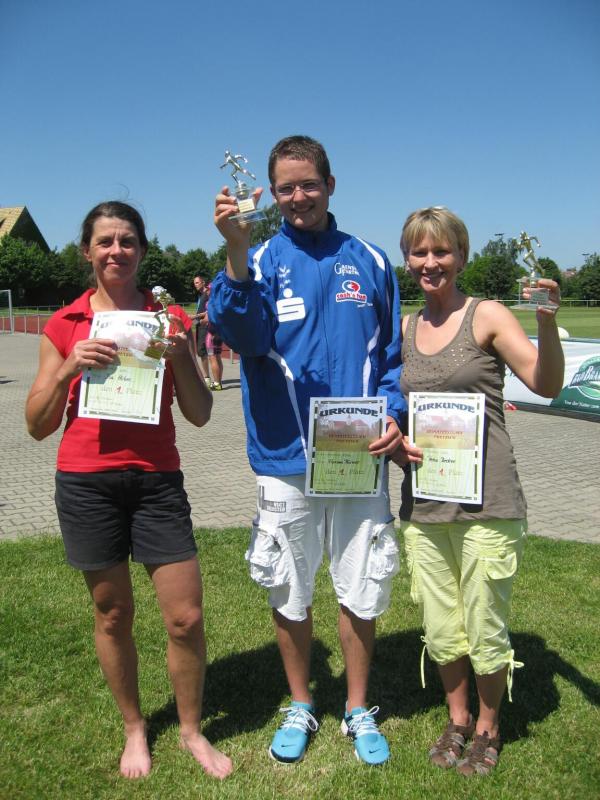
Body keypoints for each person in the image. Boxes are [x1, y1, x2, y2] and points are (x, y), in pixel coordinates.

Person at [212, 135, 408, 766]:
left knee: (362, 583)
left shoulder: (370, 260)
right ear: (272, 194)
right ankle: (301, 702)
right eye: (286, 188)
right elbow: (239, 333)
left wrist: (395, 414)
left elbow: (392, 359)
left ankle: (357, 706)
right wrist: (235, 254)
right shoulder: (257, 259)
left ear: (330, 184)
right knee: (288, 587)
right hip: (286, 455)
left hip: (358, 455)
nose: (298, 197)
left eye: (309, 184)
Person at [25, 201, 232, 781]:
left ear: (141, 249)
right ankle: (135, 728)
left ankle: (190, 729)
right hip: (86, 482)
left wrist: (182, 356)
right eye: (105, 241)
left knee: (185, 617)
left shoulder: (169, 319)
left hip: (157, 480)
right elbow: (36, 425)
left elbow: (200, 414)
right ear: (87, 251)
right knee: (113, 614)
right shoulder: (64, 324)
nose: (116, 250)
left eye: (127, 240)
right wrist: (67, 368)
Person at [394, 207, 564, 776]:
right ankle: (458, 718)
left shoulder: (485, 315)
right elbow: (395, 405)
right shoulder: (404, 327)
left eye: (441, 251)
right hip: (425, 502)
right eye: (419, 251)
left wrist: (545, 322)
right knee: (443, 626)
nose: (430, 262)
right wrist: (394, 440)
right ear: (407, 259)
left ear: (461, 256)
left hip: (488, 501)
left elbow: (545, 382)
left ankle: (489, 727)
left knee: (485, 624)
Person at [192, 274, 211, 385]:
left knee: (202, 350)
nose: (195, 285)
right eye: (194, 283)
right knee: (200, 351)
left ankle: (207, 377)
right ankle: (206, 376)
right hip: (199, 325)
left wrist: (195, 316)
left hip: (205, 325)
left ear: (203, 282)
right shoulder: (201, 295)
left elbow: (209, 310)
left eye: (197, 282)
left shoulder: (208, 293)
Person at [204, 283, 224, 391]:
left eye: (208, 289)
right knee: (218, 357)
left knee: (212, 358)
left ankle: (216, 383)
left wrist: (200, 321)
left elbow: (207, 319)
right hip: (219, 332)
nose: (206, 291)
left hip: (211, 333)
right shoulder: (221, 301)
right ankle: (218, 382)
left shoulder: (210, 303)